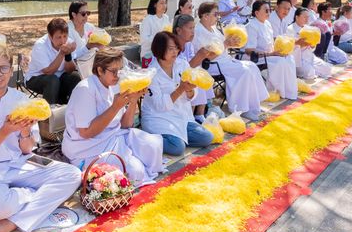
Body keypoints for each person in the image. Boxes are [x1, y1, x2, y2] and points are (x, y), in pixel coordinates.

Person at [0, 44, 81, 232]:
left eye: (4, 68)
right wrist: (5, 131)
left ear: (11, 70)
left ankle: (12, 222)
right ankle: (33, 196)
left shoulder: (21, 99)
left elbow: (27, 149)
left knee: (72, 175)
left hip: (19, 163)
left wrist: (23, 132)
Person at [62, 47, 164, 185]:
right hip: (88, 147)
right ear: (99, 70)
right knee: (136, 172)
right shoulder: (85, 89)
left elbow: (125, 125)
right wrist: (116, 106)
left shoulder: (115, 85)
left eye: (120, 70)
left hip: (115, 136)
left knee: (154, 146)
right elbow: (86, 133)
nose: (118, 75)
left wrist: (133, 100)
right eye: (114, 71)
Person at [142, 32, 215, 155]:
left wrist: (189, 90)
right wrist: (180, 89)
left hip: (181, 116)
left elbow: (191, 97)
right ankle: (147, 139)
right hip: (159, 117)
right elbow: (160, 106)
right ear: (159, 50)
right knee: (177, 148)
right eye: (170, 49)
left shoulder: (182, 64)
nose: (175, 52)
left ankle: (179, 137)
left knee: (207, 137)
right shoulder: (151, 73)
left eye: (176, 48)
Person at [193, 2, 266, 121]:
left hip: (225, 60)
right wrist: (226, 44)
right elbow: (205, 57)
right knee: (244, 71)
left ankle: (253, 105)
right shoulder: (199, 32)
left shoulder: (213, 29)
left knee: (252, 66)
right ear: (205, 16)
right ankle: (241, 108)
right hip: (212, 64)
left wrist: (230, 43)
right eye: (215, 14)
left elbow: (222, 45)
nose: (218, 17)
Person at [243, 1, 298, 101]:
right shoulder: (252, 26)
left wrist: (280, 50)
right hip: (255, 58)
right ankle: (276, 90)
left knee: (289, 58)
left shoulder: (267, 23)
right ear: (256, 13)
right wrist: (271, 54)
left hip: (270, 55)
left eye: (270, 10)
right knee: (280, 61)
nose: (269, 13)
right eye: (266, 10)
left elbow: (272, 42)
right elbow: (249, 51)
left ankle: (288, 90)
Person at [25, 18, 82, 105]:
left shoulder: (69, 42)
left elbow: (70, 70)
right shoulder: (40, 45)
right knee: (52, 80)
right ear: (50, 36)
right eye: (59, 37)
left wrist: (68, 55)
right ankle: (49, 115)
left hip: (58, 77)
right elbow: (48, 71)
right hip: (36, 77)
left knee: (75, 77)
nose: (63, 41)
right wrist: (62, 53)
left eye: (65, 36)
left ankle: (71, 109)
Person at [173, 13, 218, 119]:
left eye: (194, 28)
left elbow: (194, 65)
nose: (193, 32)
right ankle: (192, 116)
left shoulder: (188, 44)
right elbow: (183, 69)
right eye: (190, 28)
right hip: (175, 78)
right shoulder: (172, 45)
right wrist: (200, 55)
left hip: (186, 73)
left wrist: (206, 55)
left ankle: (200, 114)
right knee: (194, 78)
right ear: (179, 30)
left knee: (201, 74)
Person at [289, 8, 334, 79]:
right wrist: (298, 44)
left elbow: (313, 46)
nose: (307, 19)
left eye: (308, 17)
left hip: (310, 57)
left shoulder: (308, 28)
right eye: (304, 17)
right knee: (310, 73)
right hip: (298, 59)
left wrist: (312, 46)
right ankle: (312, 71)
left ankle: (315, 70)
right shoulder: (290, 29)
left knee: (328, 68)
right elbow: (289, 47)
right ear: (297, 17)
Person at [67, 1, 104, 78]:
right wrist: (88, 47)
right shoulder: (67, 31)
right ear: (74, 14)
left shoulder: (89, 27)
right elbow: (71, 56)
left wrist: (100, 45)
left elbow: (98, 47)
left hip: (92, 62)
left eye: (88, 13)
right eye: (83, 14)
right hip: (77, 67)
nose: (86, 16)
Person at [139, 0, 170, 66]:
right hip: (149, 54)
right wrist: (160, 37)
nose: (164, 6)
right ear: (155, 4)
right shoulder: (148, 20)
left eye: (165, 3)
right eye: (161, 3)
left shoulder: (166, 18)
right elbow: (144, 39)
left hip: (163, 52)